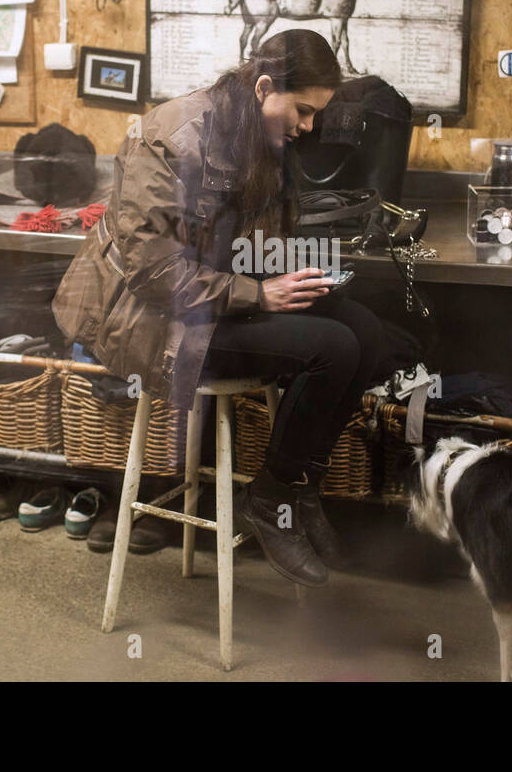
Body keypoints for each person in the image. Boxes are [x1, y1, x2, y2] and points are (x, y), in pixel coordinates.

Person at [53, 29, 384, 586]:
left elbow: (246, 244)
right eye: (302, 111)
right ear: (262, 87)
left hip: (218, 300)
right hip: (155, 320)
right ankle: (271, 498)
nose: (307, 127)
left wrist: (304, 275)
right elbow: (155, 272)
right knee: (332, 348)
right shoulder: (173, 136)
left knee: (368, 333)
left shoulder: (260, 137)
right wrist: (261, 294)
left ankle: (299, 493)